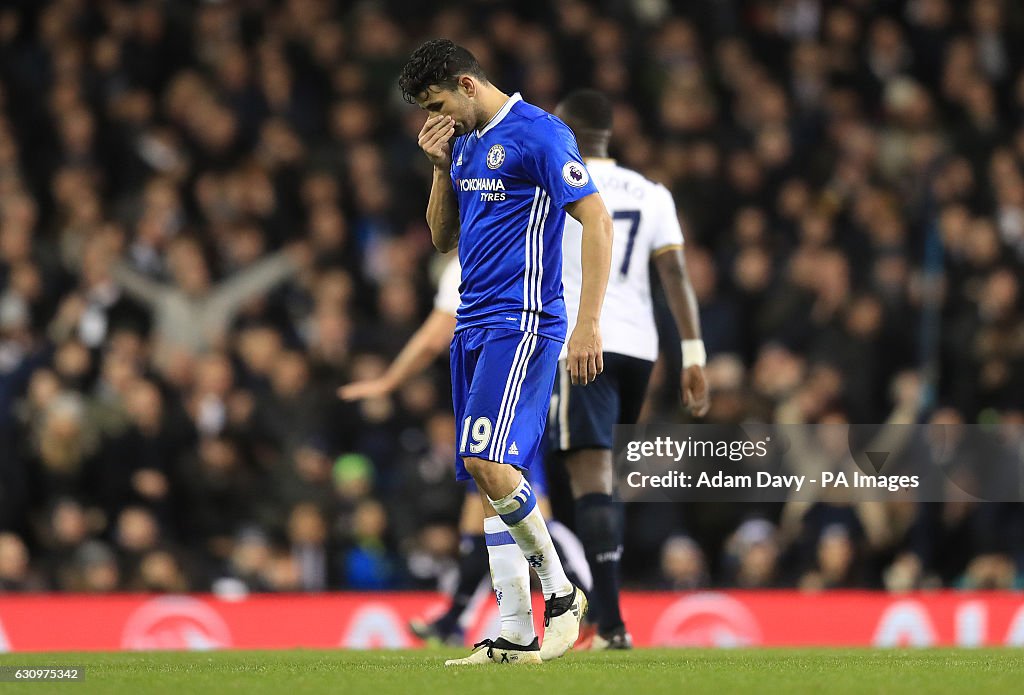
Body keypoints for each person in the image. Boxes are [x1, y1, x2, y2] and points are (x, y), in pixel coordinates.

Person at [398, 39, 613, 665]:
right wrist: (440, 167)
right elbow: (443, 240)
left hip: (521, 322)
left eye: (437, 103)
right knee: (490, 484)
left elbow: (596, 220)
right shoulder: (462, 142)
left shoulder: (538, 134)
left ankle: (561, 591)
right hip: (472, 323)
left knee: (488, 463)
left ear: (467, 84)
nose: (434, 119)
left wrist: (589, 324)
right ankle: (515, 634)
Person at [339, 257, 591, 647]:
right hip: (507, 374)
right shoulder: (504, 245)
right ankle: (468, 620)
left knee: (524, 499)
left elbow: (432, 338)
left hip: (527, 377)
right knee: (481, 514)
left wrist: (389, 381)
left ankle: (580, 594)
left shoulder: (477, 255)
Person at [549, 89, 710, 649]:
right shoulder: (651, 192)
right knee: (599, 477)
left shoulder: (556, 180)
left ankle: (609, 620)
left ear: (566, 133)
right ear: (609, 135)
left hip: (583, 339)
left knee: (589, 479)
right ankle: (597, 607)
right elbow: (676, 277)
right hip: (641, 350)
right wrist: (693, 354)